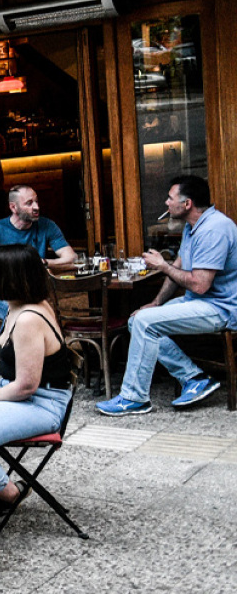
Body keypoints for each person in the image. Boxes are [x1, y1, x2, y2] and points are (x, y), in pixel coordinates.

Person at [97, 175, 237, 416]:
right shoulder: (193, 228)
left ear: (187, 204)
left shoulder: (215, 229)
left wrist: (162, 266)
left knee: (144, 323)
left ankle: (134, 398)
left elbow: (200, 285)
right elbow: (179, 268)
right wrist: (155, 303)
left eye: (170, 198)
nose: (166, 203)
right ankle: (194, 377)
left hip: (221, 308)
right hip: (201, 302)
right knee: (137, 319)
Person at [0, 244, 74, 518]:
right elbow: (8, 352)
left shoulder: (30, 317)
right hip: (25, 395)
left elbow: (26, 385)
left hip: (41, 403)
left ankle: (9, 492)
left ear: (11, 277)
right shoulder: (17, 306)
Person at [0, 185, 76, 321]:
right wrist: (9, 267)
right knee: (27, 315)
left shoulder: (47, 225)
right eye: (29, 203)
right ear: (13, 207)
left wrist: (43, 263)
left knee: (38, 313)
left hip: (33, 291)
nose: (36, 207)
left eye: (36, 202)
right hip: (2, 292)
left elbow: (72, 259)